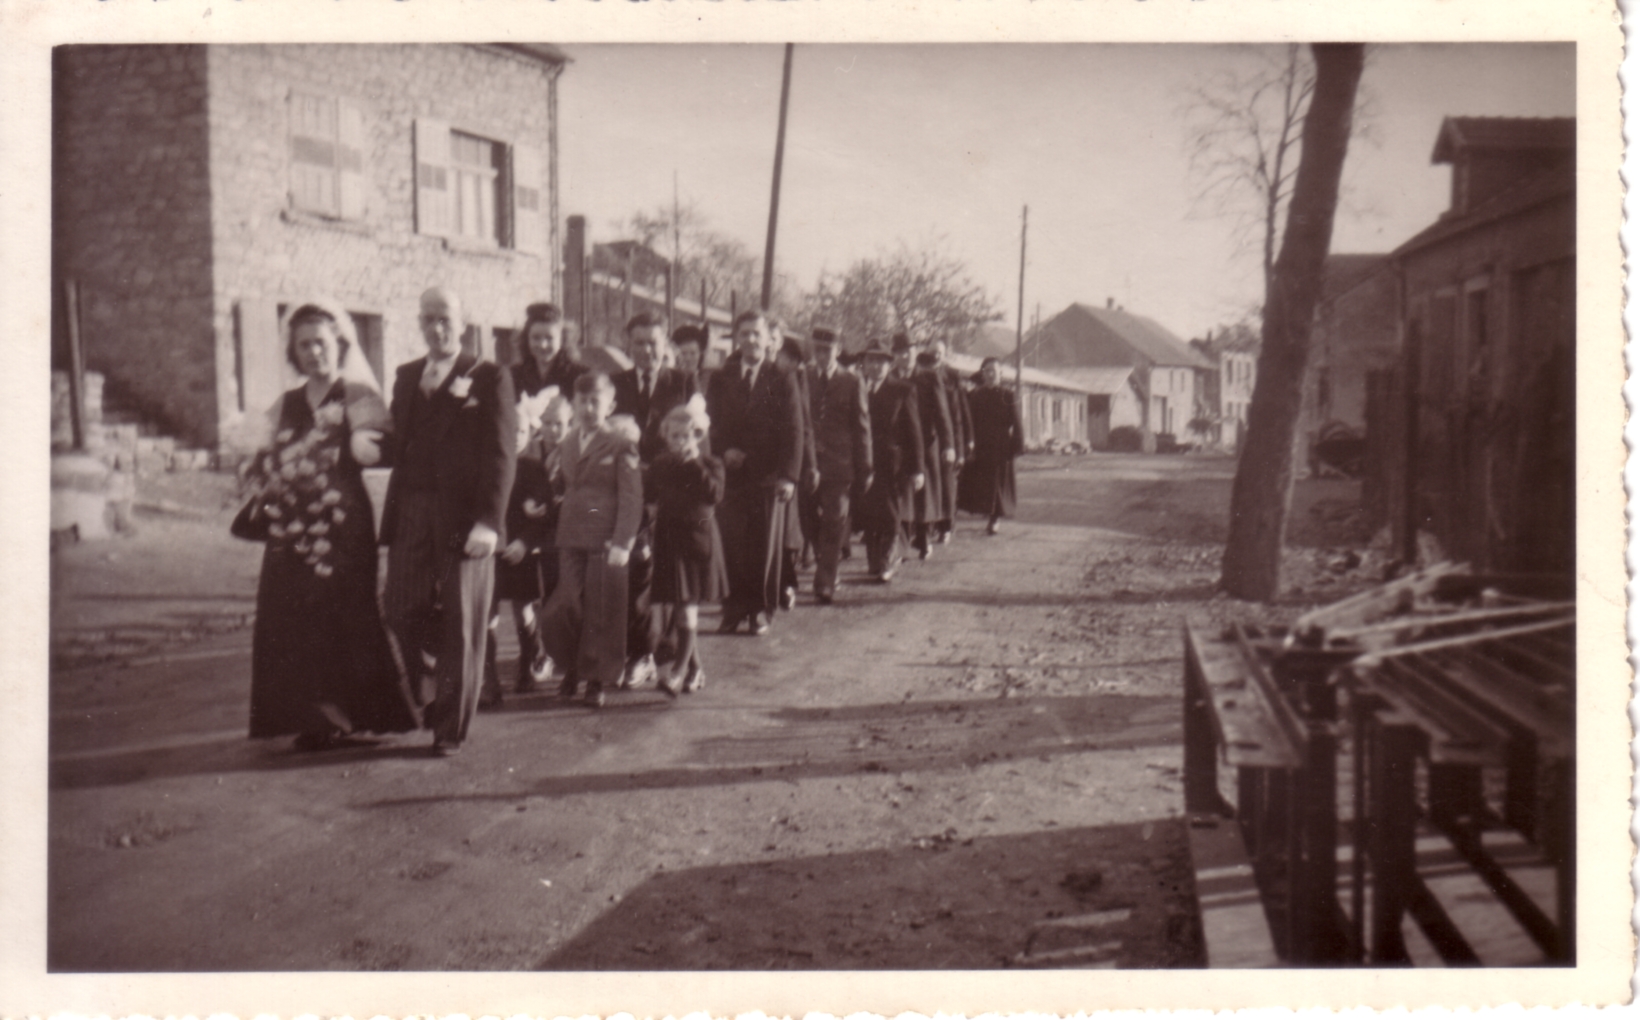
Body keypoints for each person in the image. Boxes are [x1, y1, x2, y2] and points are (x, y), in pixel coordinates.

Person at [242, 300, 419, 750]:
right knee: (290, 615)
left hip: (343, 524)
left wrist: (363, 443)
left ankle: (357, 715)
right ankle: (314, 719)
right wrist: (261, 474)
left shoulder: (357, 395)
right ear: (294, 352)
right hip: (292, 524)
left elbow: (387, 448)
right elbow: (264, 456)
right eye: (304, 345)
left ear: (338, 345)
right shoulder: (286, 403)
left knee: (345, 613)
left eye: (320, 343)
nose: (313, 352)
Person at [380, 287, 517, 756]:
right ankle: (427, 682)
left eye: (445, 319)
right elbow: (398, 442)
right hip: (412, 508)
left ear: (463, 323)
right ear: (419, 322)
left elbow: (501, 455)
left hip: (465, 517)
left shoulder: (489, 376)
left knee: (462, 620)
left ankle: (449, 727)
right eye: (428, 319)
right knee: (399, 608)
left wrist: (490, 522)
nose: (436, 328)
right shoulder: (406, 376)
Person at [539, 373, 643, 707]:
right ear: (574, 405)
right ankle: (572, 667)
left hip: (605, 539)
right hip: (570, 535)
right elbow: (565, 484)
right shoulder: (569, 441)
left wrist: (623, 541)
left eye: (595, 402)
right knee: (567, 604)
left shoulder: (621, 443)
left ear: (610, 406)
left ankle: (595, 680)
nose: (587, 408)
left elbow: (631, 497)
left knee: (600, 610)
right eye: (582, 401)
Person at [707, 310, 803, 635]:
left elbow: (794, 430)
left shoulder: (782, 377)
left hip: (767, 476)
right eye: (744, 333)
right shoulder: (721, 378)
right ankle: (733, 609)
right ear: (736, 337)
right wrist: (723, 451)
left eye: (756, 334)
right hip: (731, 476)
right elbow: (710, 424)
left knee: (764, 547)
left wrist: (788, 476)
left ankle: (761, 610)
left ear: (767, 338)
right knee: (732, 544)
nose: (750, 340)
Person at [480, 386, 564, 707]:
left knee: (523, 608)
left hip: (520, 550)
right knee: (488, 611)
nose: (515, 437)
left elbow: (543, 513)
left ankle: (528, 663)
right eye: (509, 430)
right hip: (492, 549)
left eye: (522, 431)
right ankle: (488, 677)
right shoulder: (487, 465)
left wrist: (525, 542)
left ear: (531, 433)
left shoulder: (532, 467)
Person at [648, 398, 728, 696]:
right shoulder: (660, 464)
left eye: (687, 435)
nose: (681, 441)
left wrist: (694, 463)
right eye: (674, 436)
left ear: (698, 435)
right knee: (681, 608)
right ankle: (695, 669)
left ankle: (677, 673)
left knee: (687, 609)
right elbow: (649, 496)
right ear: (666, 436)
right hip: (669, 542)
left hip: (697, 544)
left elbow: (714, 495)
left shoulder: (710, 464)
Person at [803, 326, 872, 604]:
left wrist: (866, 467)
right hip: (808, 464)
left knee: (834, 522)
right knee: (807, 520)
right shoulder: (803, 377)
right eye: (817, 350)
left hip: (839, 466)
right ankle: (826, 560)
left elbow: (862, 427)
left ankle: (825, 582)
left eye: (827, 350)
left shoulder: (852, 381)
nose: (821, 355)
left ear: (838, 350)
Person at [857, 337, 924, 583]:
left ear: (889, 364)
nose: (875, 367)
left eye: (881, 362)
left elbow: (914, 432)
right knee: (868, 511)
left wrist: (917, 469)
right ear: (864, 364)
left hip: (892, 465)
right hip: (863, 462)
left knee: (890, 513)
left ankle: (888, 560)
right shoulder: (857, 388)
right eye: (870, 361)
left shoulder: (903, 390)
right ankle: (874, 560)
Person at [893, 335, 953, 561]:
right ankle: (901, 545)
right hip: (901, 444)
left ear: (915, 352)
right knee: (903, 495)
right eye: (900, 352)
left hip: (926, 443)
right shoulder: (891, 378)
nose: (905, 356)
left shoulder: (929, 377)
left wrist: (948, 445)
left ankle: (924, 538)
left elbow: (942, 412)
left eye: (909, 351)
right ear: (895, 355)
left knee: (924, 495)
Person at [775, 332, 818, 609]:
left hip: (787, 463)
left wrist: (810, 464)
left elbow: (804, 425)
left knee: (786, 529)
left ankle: (786, 583)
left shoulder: (794, 379)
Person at [959, 357, 1025, 535]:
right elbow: (968, 422)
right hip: (980, 445)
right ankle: (986, 512)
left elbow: (1017, 423)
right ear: (982, 374)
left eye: (993, 371)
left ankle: (995, 519)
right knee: (982, 482)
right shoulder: (975, 395)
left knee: (997, 486)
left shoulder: (1008, 395)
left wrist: (1016, 447)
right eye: (986, 371)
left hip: (1000, 447)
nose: (989, 375)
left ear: (1000, 374)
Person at [927, 337, 973, 544]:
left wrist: (960, 448)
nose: (936, 355)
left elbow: (959, 414)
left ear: (945, 355)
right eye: (932, 351)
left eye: (939, 352)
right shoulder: (920, 372)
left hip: (948, 438)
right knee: (930, 485)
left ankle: (946, 526)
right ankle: (929, 526)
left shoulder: (952, 376)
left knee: (947, 485)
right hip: (928, 439)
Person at [514, 301, 585, 400]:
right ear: (527, 339)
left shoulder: (580, 376)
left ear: (562, 339)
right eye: (536, 338)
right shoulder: (515, 375)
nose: (543, 345)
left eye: (549, 338)